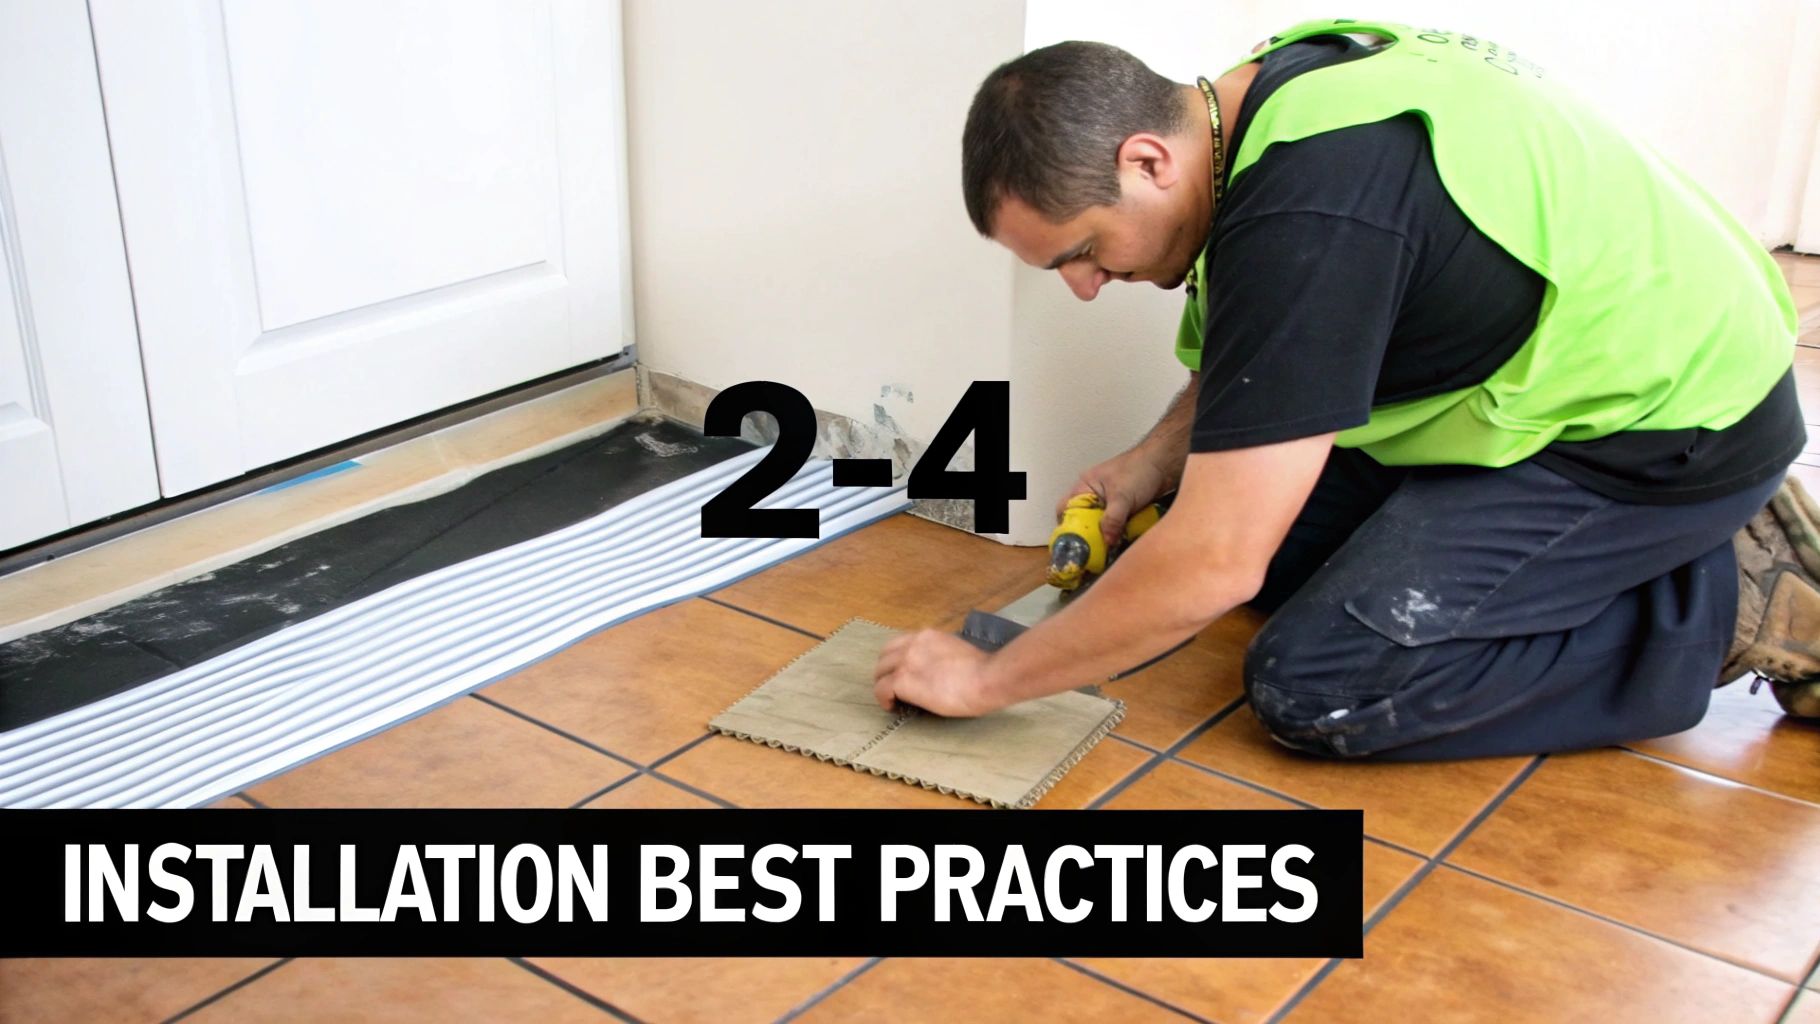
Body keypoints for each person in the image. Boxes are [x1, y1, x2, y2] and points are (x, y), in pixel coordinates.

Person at [870, 18, 1820, 759]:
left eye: (1080, 252)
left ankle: (1726, 593)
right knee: (1268, 552)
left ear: (1147, 161)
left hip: (1663, 426)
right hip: (1565, 376)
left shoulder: (1311, 207)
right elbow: (1265, 355)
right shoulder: (1260, 108)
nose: (1083, 287)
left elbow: (1215, 563)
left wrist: (988, 681)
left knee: (1323, 682)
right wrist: (1154, 460)